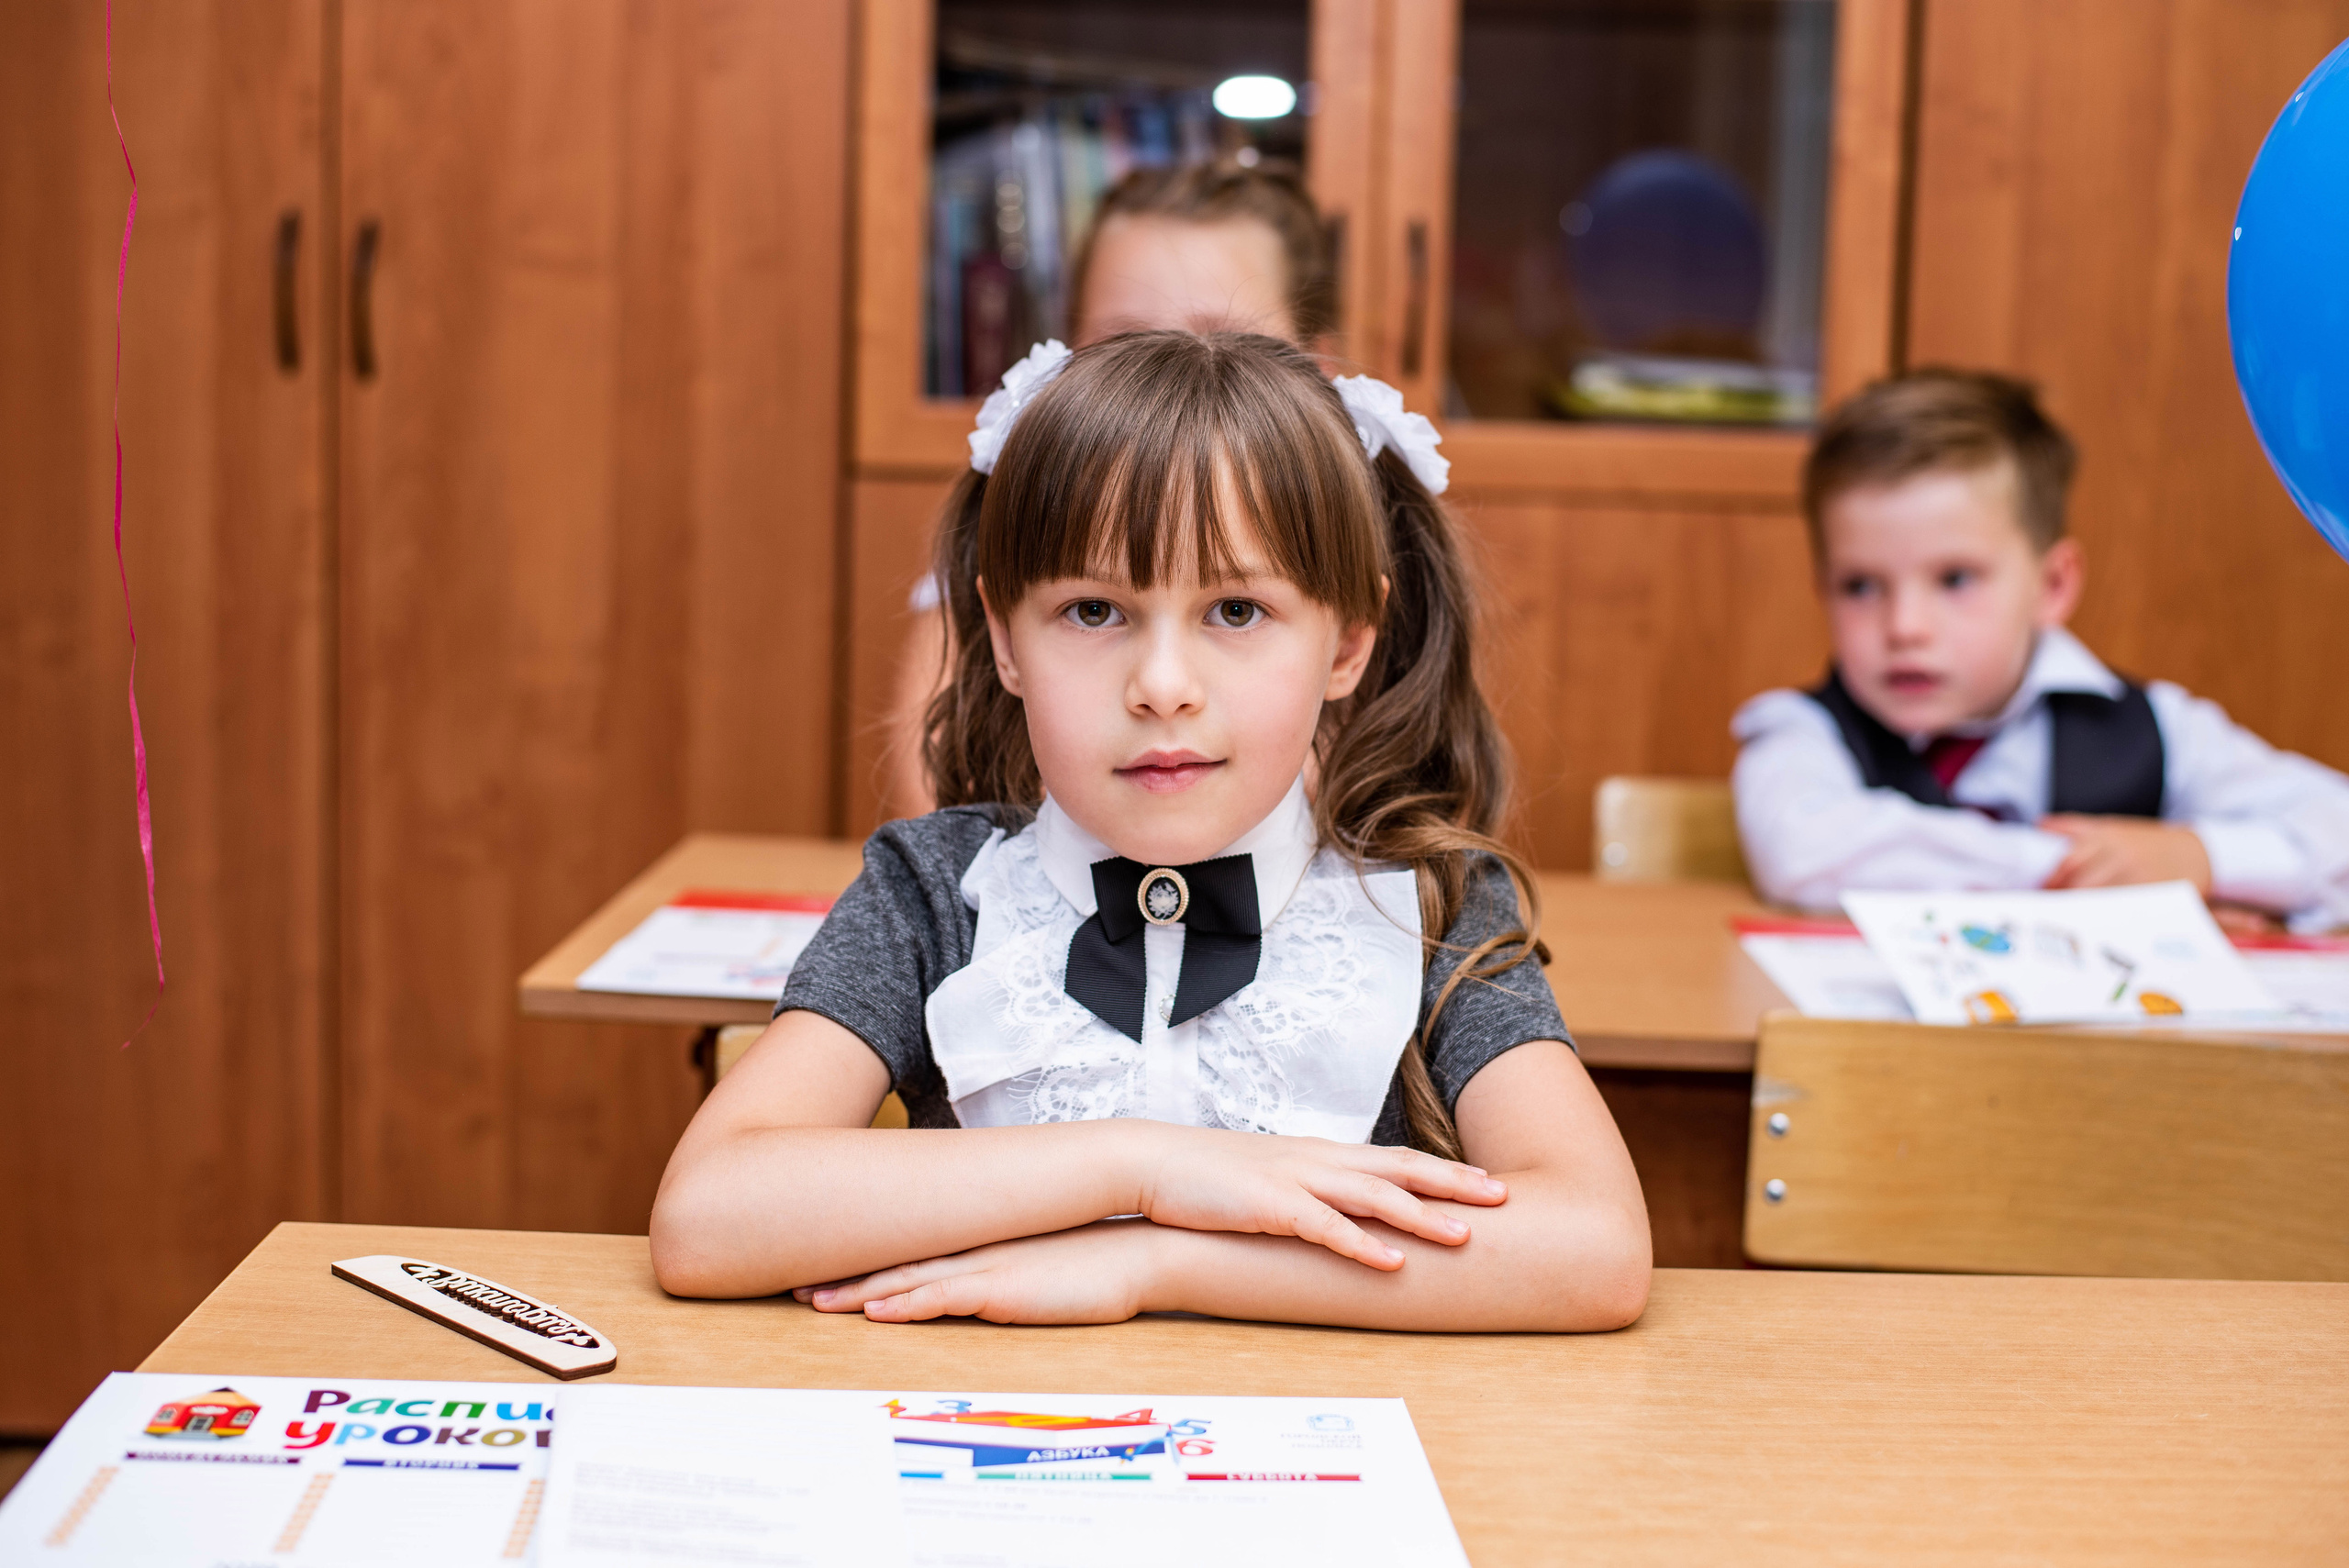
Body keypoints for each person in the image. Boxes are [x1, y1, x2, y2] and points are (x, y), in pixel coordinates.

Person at [653, 331, 1651, 1332]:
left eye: (1236, 610)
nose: (1162, 687)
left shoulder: (1428, 904)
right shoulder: (933, 894)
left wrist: (1152, 1259)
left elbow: (1595, 1247)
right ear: (1003, 639)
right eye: (1094, 610)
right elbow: (706, 1217)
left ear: (1349, 641)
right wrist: (1144, 1164)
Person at [1733, 369, 2349, 929]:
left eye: (1955, 579)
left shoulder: (2156, 728)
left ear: (2052, 585)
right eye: (1860, 587)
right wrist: (2094, 874)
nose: (1904, 627)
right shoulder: (1798, 730)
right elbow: (1804, 851)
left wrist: (2202, 860)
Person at [884, 161, 1338, 821]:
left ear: (1318, 369)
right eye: (1126, 345)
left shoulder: (1376, 554)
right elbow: (931, 796)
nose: (1173, 386)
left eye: (1224, 347)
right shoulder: (1013, 536)